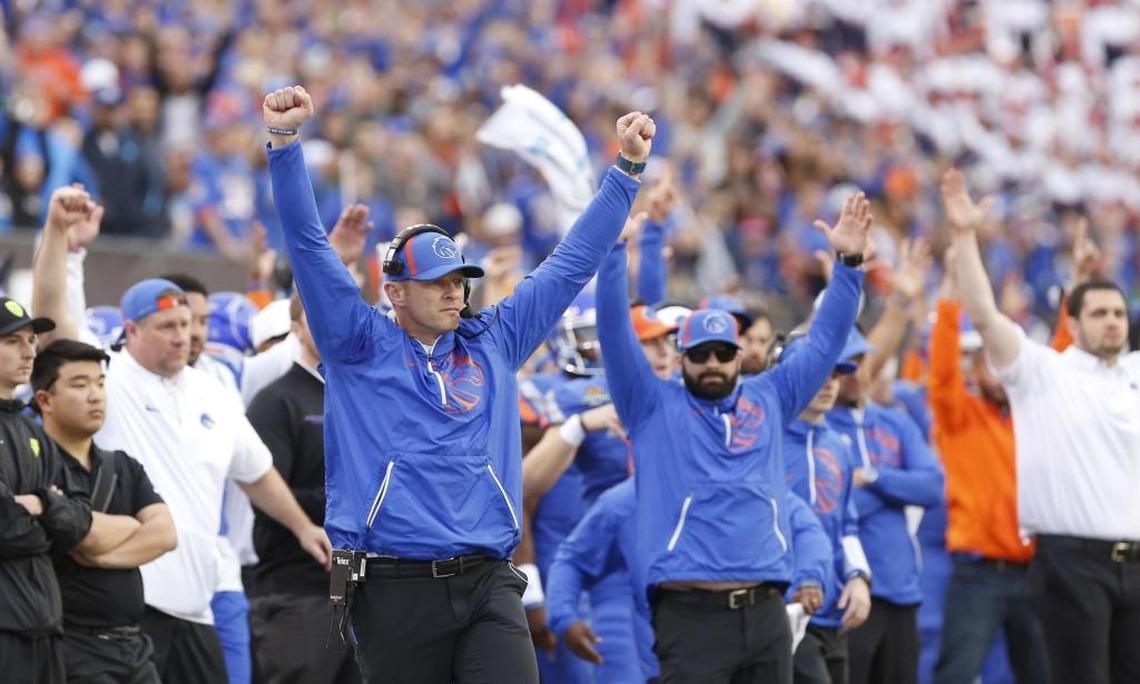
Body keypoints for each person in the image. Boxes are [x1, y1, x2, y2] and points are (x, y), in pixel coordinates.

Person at [263, 84, 654, 681]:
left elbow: (571, 261)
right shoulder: (357, 344)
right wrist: (285, 143)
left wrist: (626, 170)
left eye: (460, 280)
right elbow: (308, 246)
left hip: (489, 579)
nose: (454, 291)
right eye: (437, 281)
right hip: (393, 584)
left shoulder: (494, 341)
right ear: (395, 292)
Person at [31, 186, 332, 684]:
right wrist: (61, 237)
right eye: (166, 325)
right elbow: (52, 319)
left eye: (187, 323)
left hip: (198, 603)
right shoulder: (110, 378)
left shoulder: (211, 387)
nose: (182, 335)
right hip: (129, 601)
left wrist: (303, 528)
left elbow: (255, 471)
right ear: (130, 331)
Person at [595, 191, 871, 683]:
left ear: (740, 356)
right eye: (700, 354)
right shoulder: (651, 405)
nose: (713, 364)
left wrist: (849, 265)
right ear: (681, 359)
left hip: (767, 609)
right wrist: (614, 253)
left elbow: (826, 341)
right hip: (689, 612)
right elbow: (616, 332)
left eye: (724, 353)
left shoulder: (771, 396)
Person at [943, 167, 1140, 684]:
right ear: (1072, 323)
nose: (1112, 321)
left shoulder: (1136, 373)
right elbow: (984, 315)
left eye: (1118, 312)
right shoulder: (1043, 371)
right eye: (1098, 313)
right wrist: (964, 236)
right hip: (1070, 562)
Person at [33, 339, 177, 684]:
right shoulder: (36, 465)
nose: (95, 395)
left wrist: (101, 556)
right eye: (80, 385)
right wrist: (130, 526)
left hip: (135, 645)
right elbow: (89, 533)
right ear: (45, 400)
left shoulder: (123, 466)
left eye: (100, 383)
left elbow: (165, 534)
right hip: (72, 648)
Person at [245, 294, 361, 684]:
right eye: (317, 318)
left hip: (362, 589)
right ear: (295, 328)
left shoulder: (360, 399)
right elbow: (266, 495)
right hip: (295, 589)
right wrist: (353, 502)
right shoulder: (275, 401)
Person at [827, 330, 944, 684]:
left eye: (862, 362)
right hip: (848, 596)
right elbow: (835, 507)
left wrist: (874, 478)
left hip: (902, 591)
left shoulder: (895, 421)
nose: (858, 373)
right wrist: (895, 489)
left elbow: (931, 486)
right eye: (846, 366)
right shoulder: (821, 429)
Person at [0, 298, 94, 684]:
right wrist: (49, 508)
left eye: (31, 339)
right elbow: (5, 527)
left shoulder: (32, 431)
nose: (30, 351)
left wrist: (38, 503)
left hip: (45, 623)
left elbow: (78, 522)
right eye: (12, 341)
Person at [772, 333, 872, 684]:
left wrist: (859, 577)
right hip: (781, 608)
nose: (829, 384)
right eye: (818, 374)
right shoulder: (765, 439)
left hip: (832, 611)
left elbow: (847, 525)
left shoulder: (840, 446)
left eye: (833, 375)